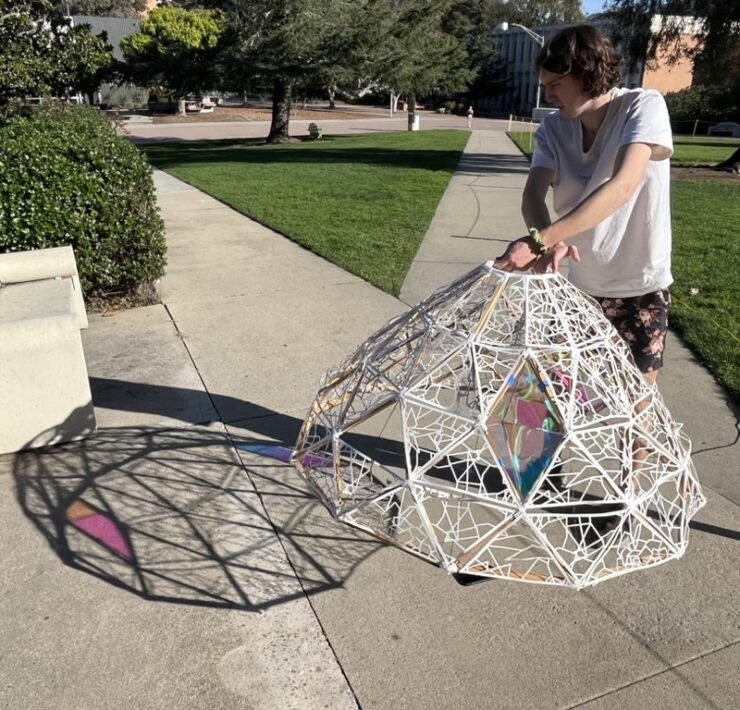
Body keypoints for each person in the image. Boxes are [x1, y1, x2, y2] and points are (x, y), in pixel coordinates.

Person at [495, 25, 674, 386]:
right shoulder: (552, 129)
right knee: (560, 394)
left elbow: (623, 185)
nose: (548, 94)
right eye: (544, 84)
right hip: (580, 286)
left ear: (587, 73)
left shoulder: (643, 106)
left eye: (555, 84)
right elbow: (533, 195)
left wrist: (539, 240)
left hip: (639, 287)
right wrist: (547, 245)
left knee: (635, 401)